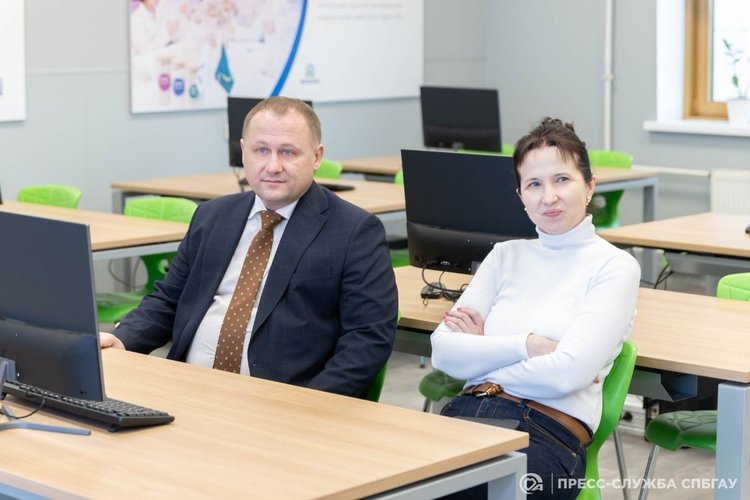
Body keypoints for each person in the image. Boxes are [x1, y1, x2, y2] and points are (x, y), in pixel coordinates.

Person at [100, 97, 398, 398]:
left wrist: (308, 405)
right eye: (261, 150)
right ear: (244, 152)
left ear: (317, 157)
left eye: (288, 152)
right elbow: (169, 299)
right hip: (186, 388)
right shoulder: (212, 216)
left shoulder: (354, 231)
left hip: (280, 401)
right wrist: (123, 339)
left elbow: (367, 339)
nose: (273, 166)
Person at [431, 117, 640, 499]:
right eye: (534, 184)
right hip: (465, 414)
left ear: (589, 186)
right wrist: (529, 345)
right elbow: (443, 353)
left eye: (562, 179)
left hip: (546, 432)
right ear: (521, 196)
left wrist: (480, 355)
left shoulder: (614, 266)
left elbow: (568, 375)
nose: (549, 197)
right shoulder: (504, 255)